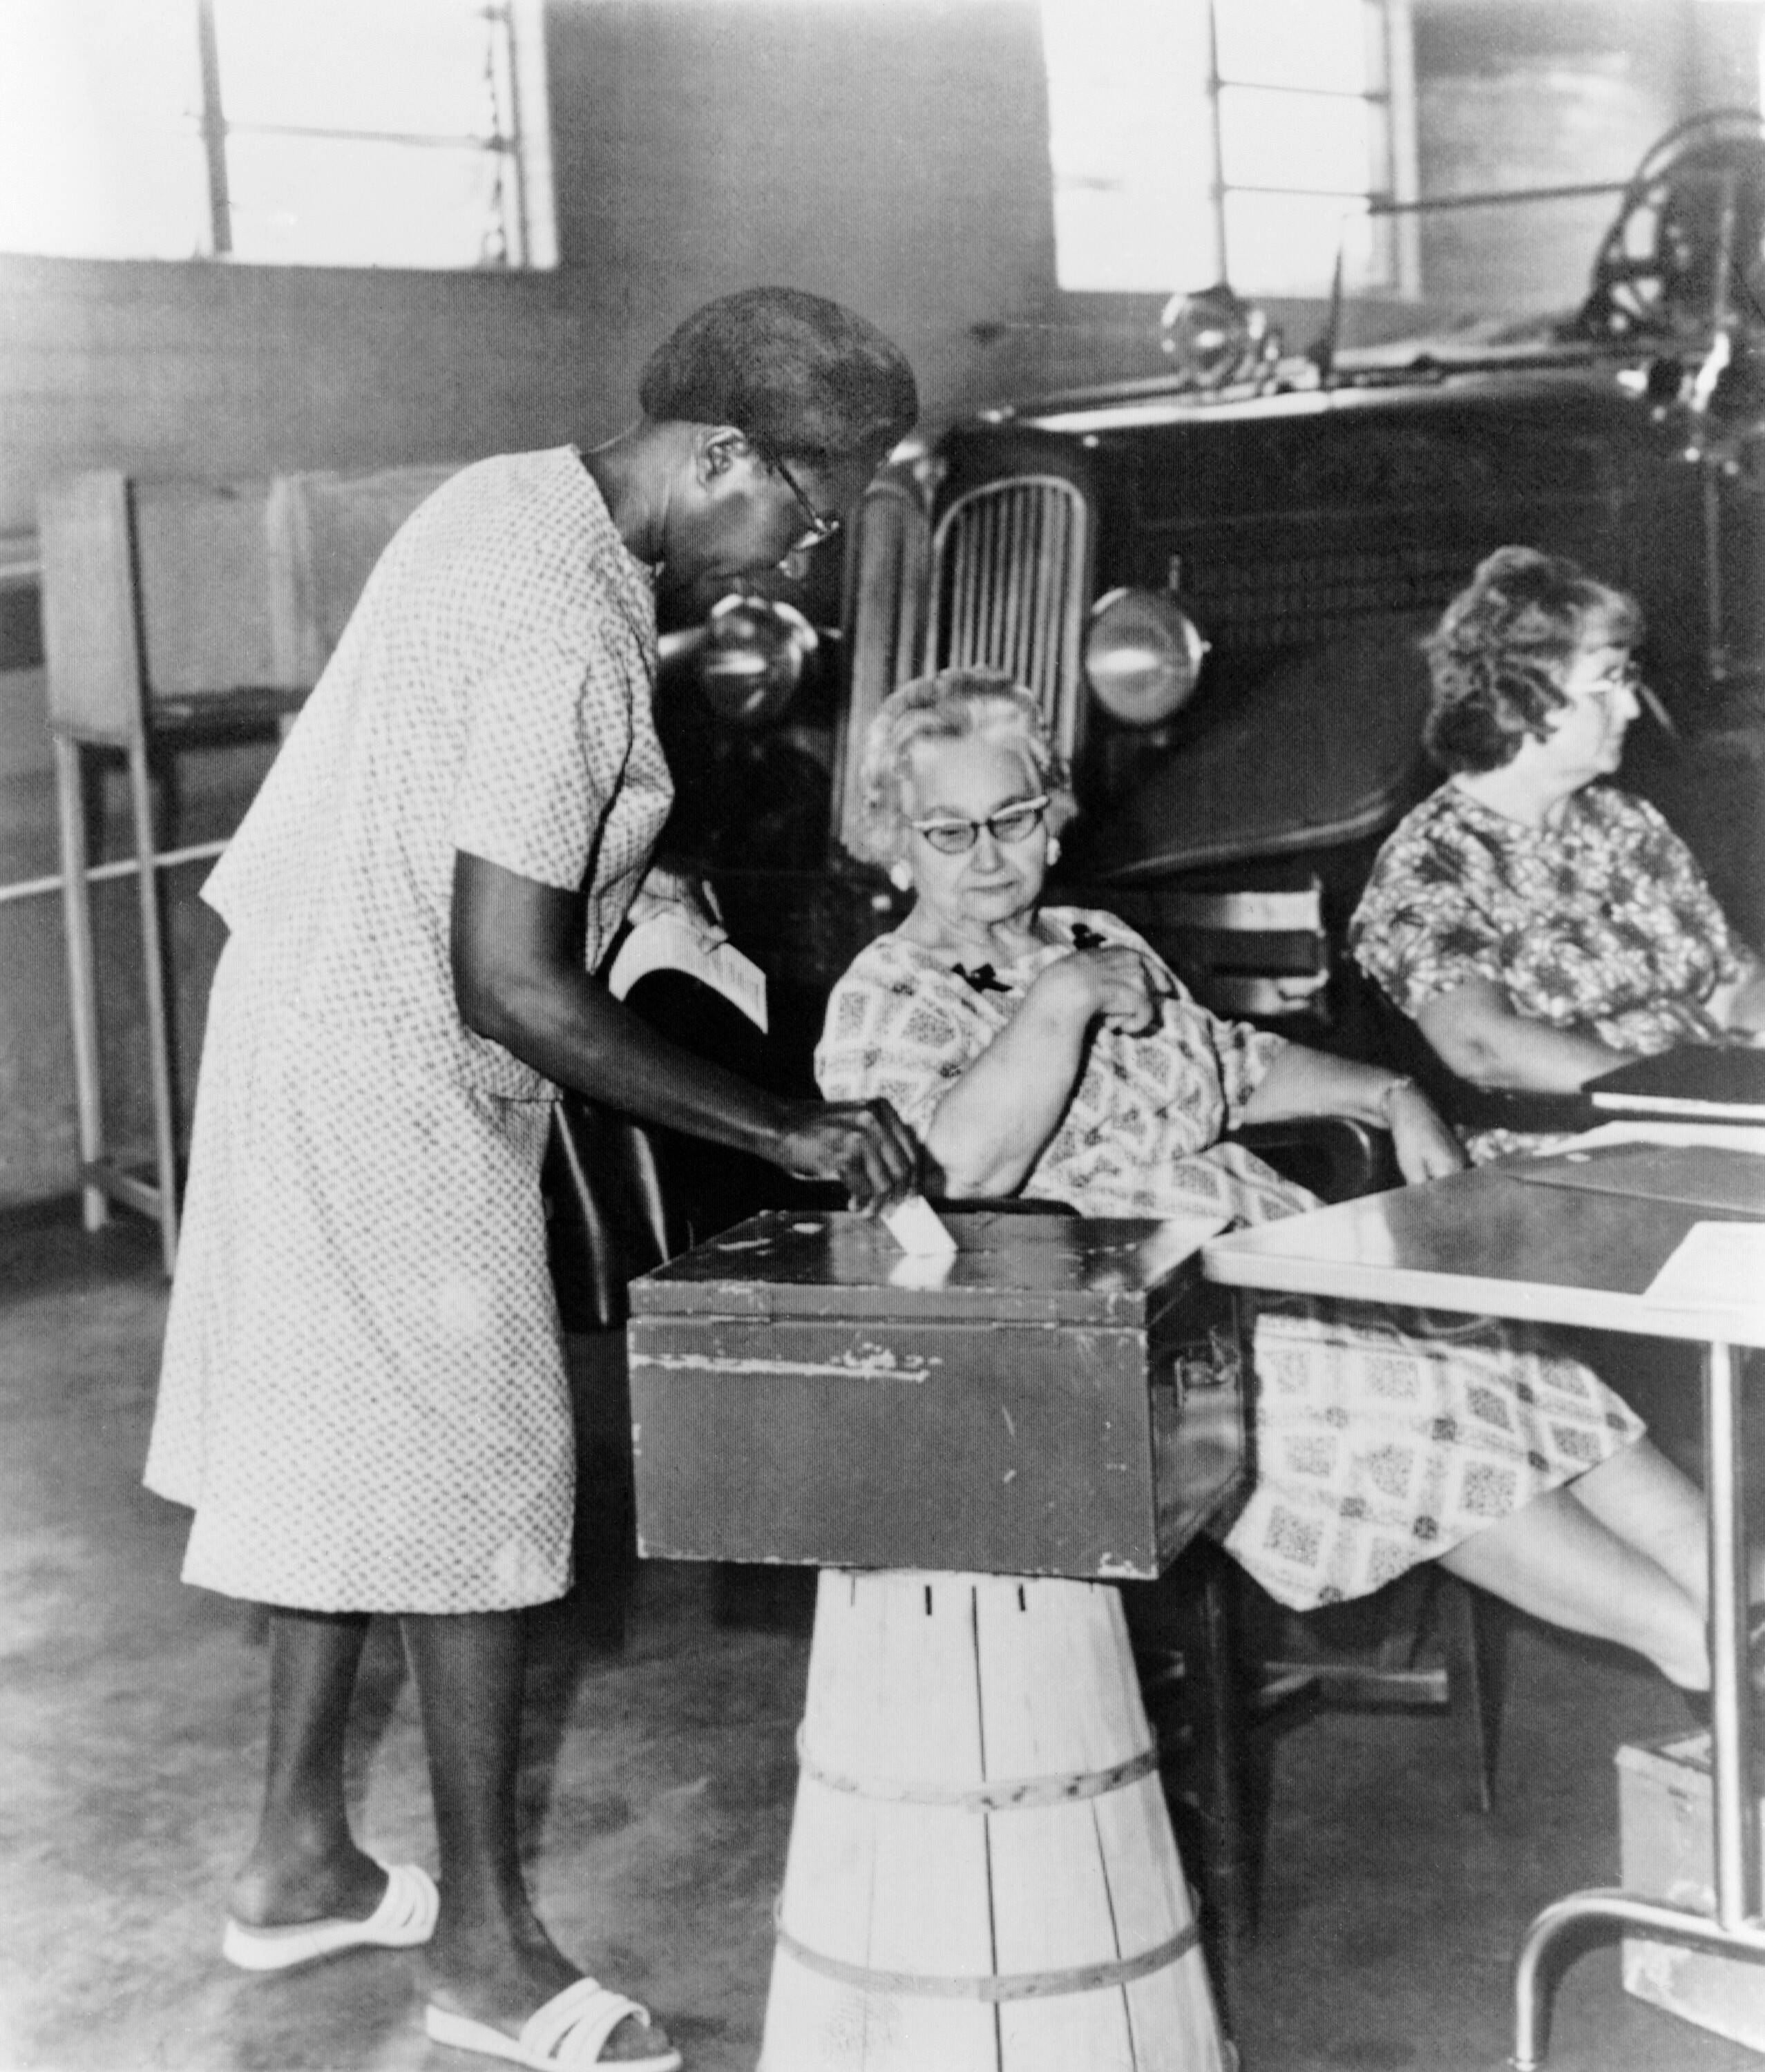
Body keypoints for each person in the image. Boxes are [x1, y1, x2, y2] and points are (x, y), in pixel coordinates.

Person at [144, 287, 922, 2072]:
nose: (803, 552)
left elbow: (471, 818)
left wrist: (651, 896)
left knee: (345, 1449)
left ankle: (296, 1864)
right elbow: (510, 980)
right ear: (721, 452)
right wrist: (776, 1128)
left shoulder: (508, 495)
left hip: (294, 998)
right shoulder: (567, 623)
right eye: (806, 504)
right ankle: (487, 1957)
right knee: (481, 1483)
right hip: (394, 1056)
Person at [816, 665, 1746, 1707]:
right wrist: (1060, 1002)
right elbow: (958, 1174)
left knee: (1511, 1361)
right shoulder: (885, 997)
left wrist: (1392, 1092)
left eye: (1013, 816)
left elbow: (1234, 1065)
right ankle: (1693, 1645)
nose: (988, 855)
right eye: (948, 832)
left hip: (1267, 1252)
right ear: (893, 840)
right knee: (1417, 1406)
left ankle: (1736, 1608)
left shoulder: (1095, 936)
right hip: (1142, 1321)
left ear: (1051, 817)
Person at [1349, 546, 1765, 1160]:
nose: (1629, 707)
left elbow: (1729, 987)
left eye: (1628, 681)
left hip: (1707, 1123)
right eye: (1607, 685)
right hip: (1569, 1154)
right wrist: (1672, 1092)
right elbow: (1481, 1046)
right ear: (1524, 699)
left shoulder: (1624, 823)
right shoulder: (1433, 859)